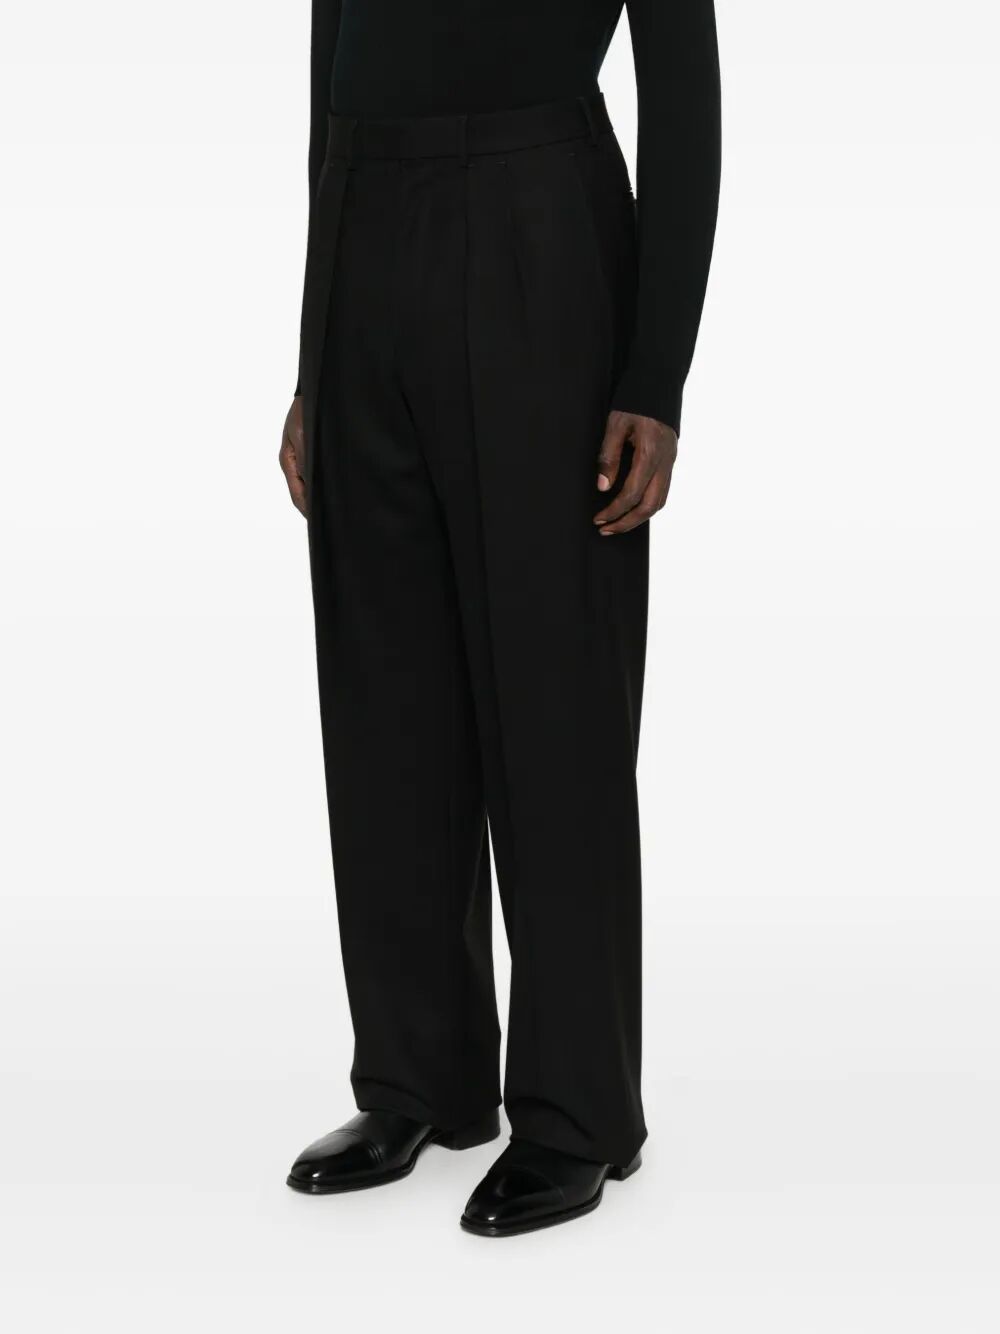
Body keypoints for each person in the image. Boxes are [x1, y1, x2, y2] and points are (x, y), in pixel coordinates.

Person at [278, 0, 720, 1237]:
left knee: (551, 691)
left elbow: (683, 93)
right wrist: (313, 355)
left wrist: (655, 374)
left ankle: (578, 1110)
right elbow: (328, 71)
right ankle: (419, 1077)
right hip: (365, 223)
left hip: (540, 222)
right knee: (385, 695)